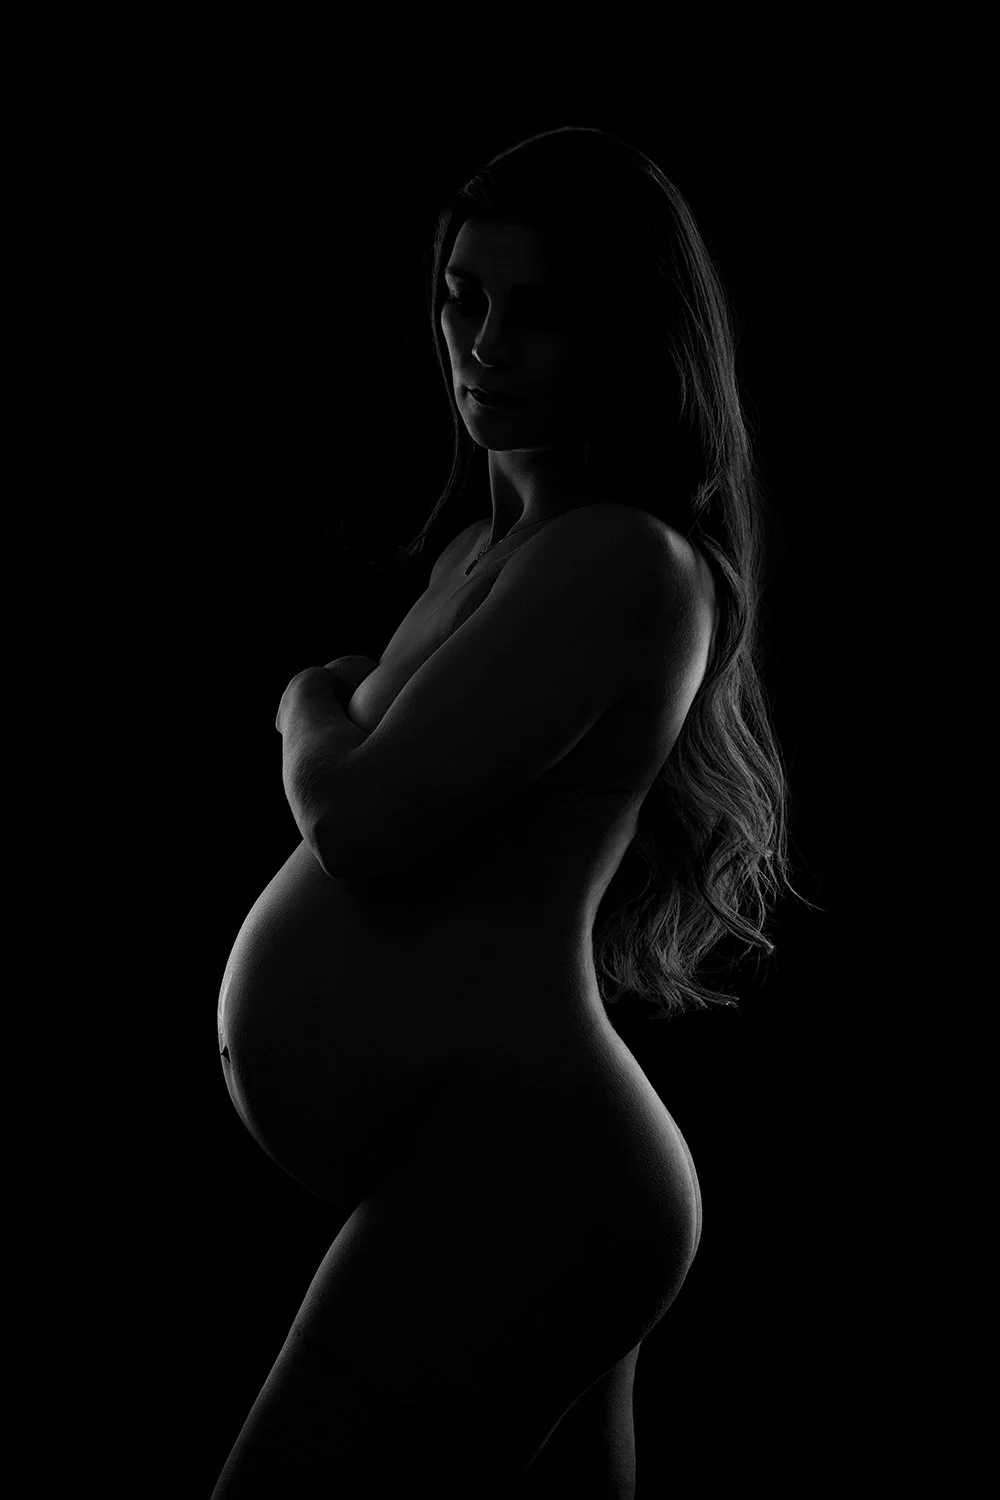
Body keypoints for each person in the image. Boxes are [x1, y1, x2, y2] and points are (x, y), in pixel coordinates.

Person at [212, 125, 812, 1497]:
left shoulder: (623, 559)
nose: (482, 344)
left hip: (526, 1169)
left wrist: (310, 697)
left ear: (626, 335)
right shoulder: (495, 551)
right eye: (461, 298)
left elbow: (357, 819)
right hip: (505, 1173)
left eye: (537, 311)